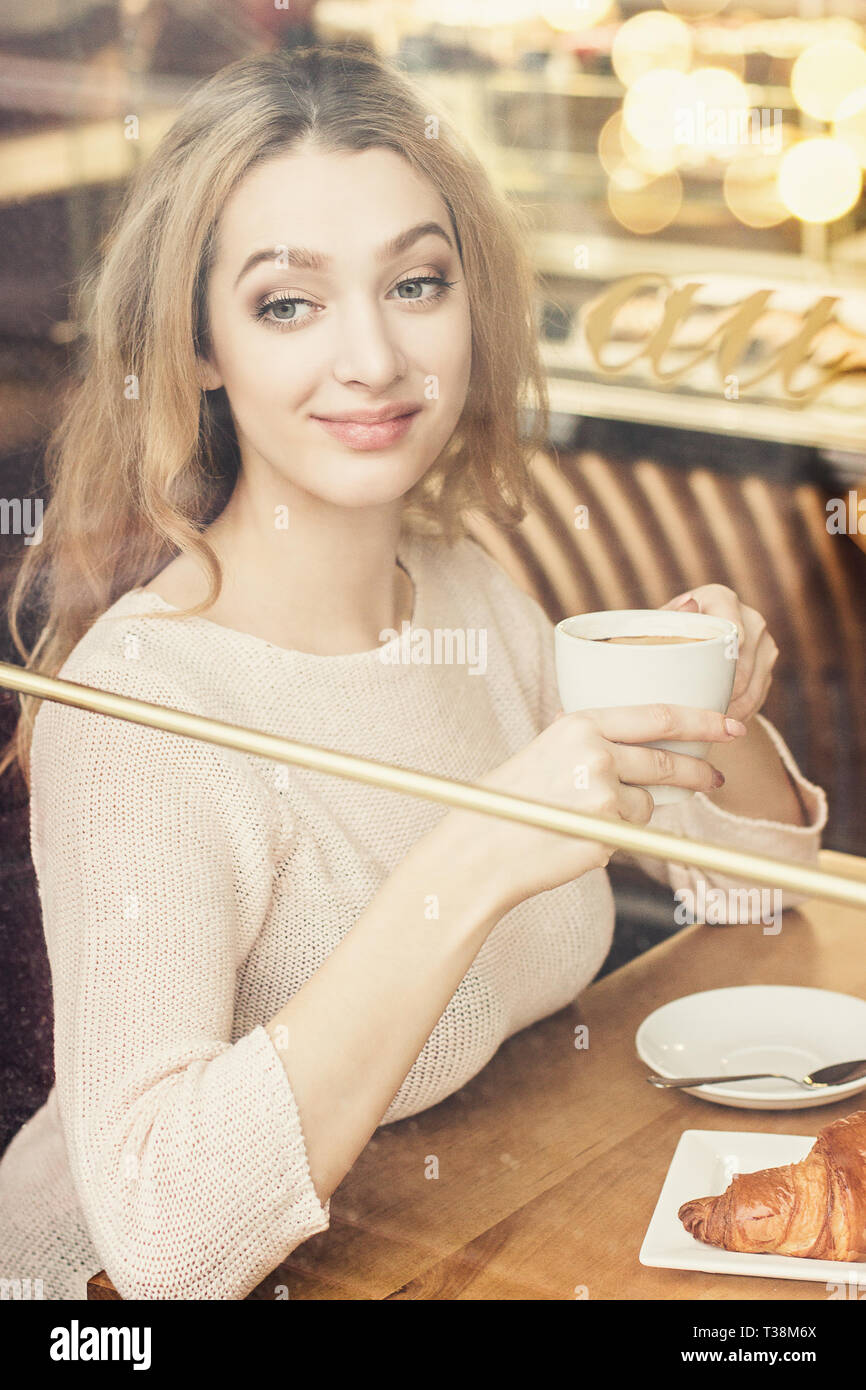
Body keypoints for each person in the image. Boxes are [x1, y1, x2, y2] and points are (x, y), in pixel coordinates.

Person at [0, 43, 826, 1300]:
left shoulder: (460, 583)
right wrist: (475, 858)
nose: (374, 359)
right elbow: (162, 1247)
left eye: (416, 283)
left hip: (456, 1226)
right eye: (289, 302)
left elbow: (755, 900)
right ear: (202, 345)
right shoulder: (141, 715)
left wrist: (721, 711)